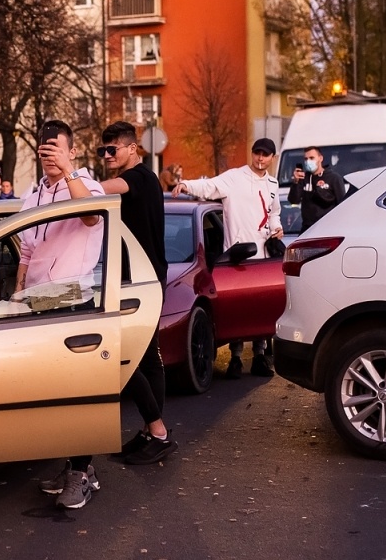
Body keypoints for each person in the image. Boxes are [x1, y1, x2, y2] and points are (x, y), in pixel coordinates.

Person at [16, 121, 106, 510]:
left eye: (57, 149)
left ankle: (81, 473)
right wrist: (18, 292)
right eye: (44, 150)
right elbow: (26, 249)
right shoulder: (33, 193)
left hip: (72, 297)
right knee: (52, 392)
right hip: (38, 300)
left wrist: (67, 174)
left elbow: (90, 217)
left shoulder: (87, 184)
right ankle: (76, 466)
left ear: (73, 151)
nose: (49, 157)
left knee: (76, 390)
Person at [89, 122, 172, 465]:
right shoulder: (133, 183)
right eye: (102, 150)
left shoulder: (140, 178)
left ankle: (159, 432)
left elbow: (103, 188)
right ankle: (151, 433)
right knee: (148, 357)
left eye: (113, 150)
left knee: (125, 356)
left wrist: (72, 179)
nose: (107, 155)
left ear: (132, 148)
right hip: (135, 278)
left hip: (143, 280)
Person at [175, 138, 283, 378]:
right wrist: (186, 185)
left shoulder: (273, 183)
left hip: (262, 255)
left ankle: (259, 356)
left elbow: (273, 212)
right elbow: (210, 187)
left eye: (265, 155)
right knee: (238, 307)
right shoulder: (235, 177)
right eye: (257, 153)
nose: (260, 158)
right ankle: (235, 358)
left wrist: (277, 227)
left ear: (272, 158)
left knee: (260, 307)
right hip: (235, 255)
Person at [287, 146, 346, 229]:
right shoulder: (303, 178)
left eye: (311, 158)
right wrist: (296, 182)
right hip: (307, 228)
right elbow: (294, 200)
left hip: (327, 228)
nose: (308, 161)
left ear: (320, 158)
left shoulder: (334, 178)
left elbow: (342, 204)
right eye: (306, 159)